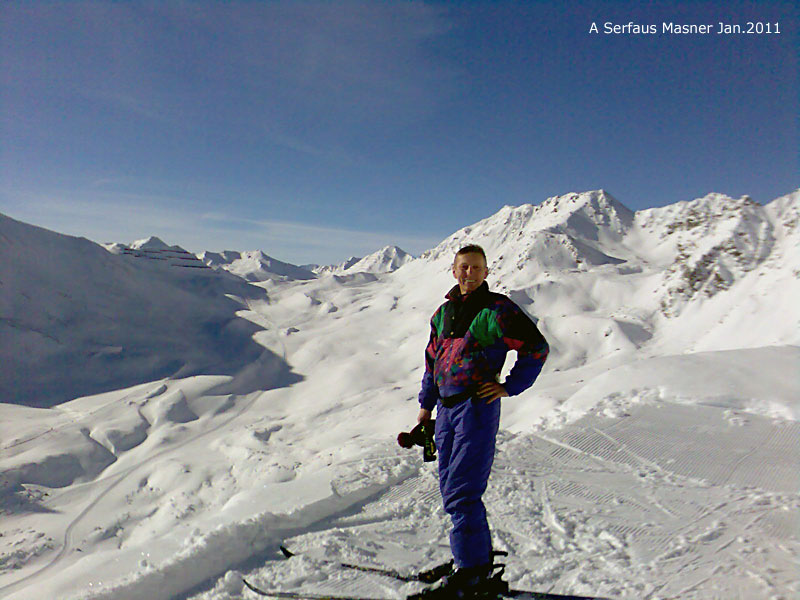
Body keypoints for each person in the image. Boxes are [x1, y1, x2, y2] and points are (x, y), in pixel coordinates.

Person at [414, 244, 549, 599]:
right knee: (450, 489)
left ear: (486, 272)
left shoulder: (497, 309)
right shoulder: (443, 314)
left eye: (476, 268)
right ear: (454, 271)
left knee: (463, 490)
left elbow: (536, 347)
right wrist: (426, 406)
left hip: (476, 407)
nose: (469, 273)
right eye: (463, 267)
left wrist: (510, 387)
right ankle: (471, 558)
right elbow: (433, 362)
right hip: (445, 410)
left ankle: (472, 572)